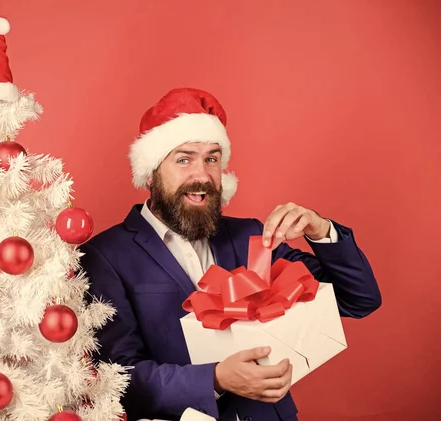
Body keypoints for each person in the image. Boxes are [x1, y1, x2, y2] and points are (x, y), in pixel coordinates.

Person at [79, 88, 382, 421]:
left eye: (212, 158)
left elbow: (357, 300)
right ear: (150, 173)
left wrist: (321, 230)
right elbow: (117, 378)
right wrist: (215, 379)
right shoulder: (104, 256)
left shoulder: (250, 236)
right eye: (184, 159)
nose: (202, 175)